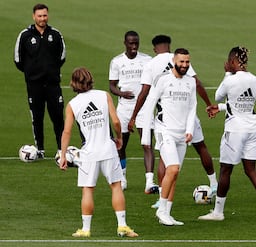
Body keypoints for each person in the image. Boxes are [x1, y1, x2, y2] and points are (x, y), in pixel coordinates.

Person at [128, 35, 218, 208]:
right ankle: (213, 183)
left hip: (167, 118)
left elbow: (145, 92)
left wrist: (133, 116)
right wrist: (209, 104)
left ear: (155, 49)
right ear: (169, 47)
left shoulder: (151, 64)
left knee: (165, 159)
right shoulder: (179, 61)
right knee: (201, 147)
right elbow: (197, 83)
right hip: (185, 117)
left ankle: (162, 196)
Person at [198, 46, 256, 223]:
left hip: (234, 130)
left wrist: (226, 74)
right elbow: (241, 103)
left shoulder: (230, 80)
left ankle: (218, 212)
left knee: (226, 170)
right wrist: (222, 108)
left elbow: (218, 96)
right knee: (251, 169)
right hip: (251, 128)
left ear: (232, 61)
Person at [59, 67, 138, 238]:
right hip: (108, 149)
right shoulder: (104, 95)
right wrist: (119, 138)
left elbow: (66, 132)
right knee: (116, 186)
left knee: (88, 190)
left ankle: (86, 229)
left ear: (73, 83)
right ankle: (122, 226)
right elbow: (116, 121)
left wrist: (63, 155)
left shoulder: (72, 105)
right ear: (91, 80)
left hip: (88, 154)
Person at [141, 48, 197, 226]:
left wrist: (190, 130)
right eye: (181, 62)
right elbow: (150, 105)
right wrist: (145, 136)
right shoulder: (164, 80)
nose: (184, 65)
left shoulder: (190, 83)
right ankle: (161, 209)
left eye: (187, 62)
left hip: (182, 134)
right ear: (174, 61)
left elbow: (192, 107)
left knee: (175, 174)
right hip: (165, 131)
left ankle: (168, 213)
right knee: (171, 169)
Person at [14, 3, 66, 159]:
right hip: (34, 85)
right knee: (37, 117)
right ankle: (40, 149)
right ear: (33, 16)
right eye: (39, 16)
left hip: (52, 84)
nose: (42, 19)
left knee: (58, 116)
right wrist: (32, 72)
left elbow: (62, 56)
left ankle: (60, 148)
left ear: (47, 16)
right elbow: (18, 60)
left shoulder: (55, 34)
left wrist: (51, 71)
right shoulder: (25, 35)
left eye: (45, 15)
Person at [109, 30, 158, 193]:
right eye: (131, 43)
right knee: (121, 144)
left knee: (147, 143)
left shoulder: (147, 61)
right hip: (124, 107)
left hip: (144, 107)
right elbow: (112, 86)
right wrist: (122, 93)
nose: (134, 46)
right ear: (125, 43)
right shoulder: (116, 62)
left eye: (136, 43)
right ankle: (122, 178)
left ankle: (149, 182)